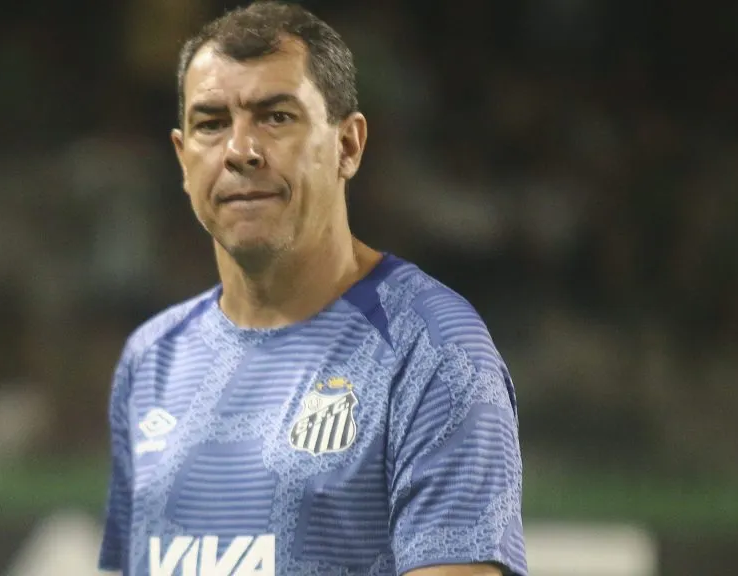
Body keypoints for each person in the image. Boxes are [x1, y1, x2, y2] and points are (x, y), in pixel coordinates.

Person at [98, 2, 527, 575]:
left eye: (275, 116)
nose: (240, 150)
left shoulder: (432, 349)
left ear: (347, 146)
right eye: (211, 123)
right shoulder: (151, 357)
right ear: (182, 158)